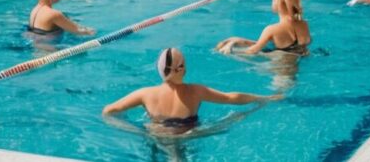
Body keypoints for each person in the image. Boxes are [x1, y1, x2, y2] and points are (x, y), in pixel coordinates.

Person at [102, 48, 281, 134]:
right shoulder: (196, 91)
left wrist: (138, 130)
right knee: (237, 116)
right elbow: (231, 98)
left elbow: (108, 111)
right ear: (182, 70)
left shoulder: (145, 94)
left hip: (156, 135)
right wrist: (264, 97)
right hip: (189, 136)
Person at [216, 0, 311, 55]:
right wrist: (238, 40)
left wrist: (231, 50)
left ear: (278, 5)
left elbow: (252, 51)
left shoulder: (272, 29)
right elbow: (289, 48)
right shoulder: (303, 24)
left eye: (273, 1)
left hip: (282, 66)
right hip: (302, 57)